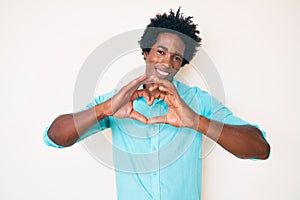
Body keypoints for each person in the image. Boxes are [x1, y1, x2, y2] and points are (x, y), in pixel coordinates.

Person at [44, 8, 270, 200]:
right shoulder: (118, 101)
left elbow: (260, 149)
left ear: (182, 64)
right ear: (145, 53)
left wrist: (196, 122)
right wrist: (105, 110)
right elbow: (55, 136)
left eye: (176, 57)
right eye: (161, 52)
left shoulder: (198, 101)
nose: (167, 62)